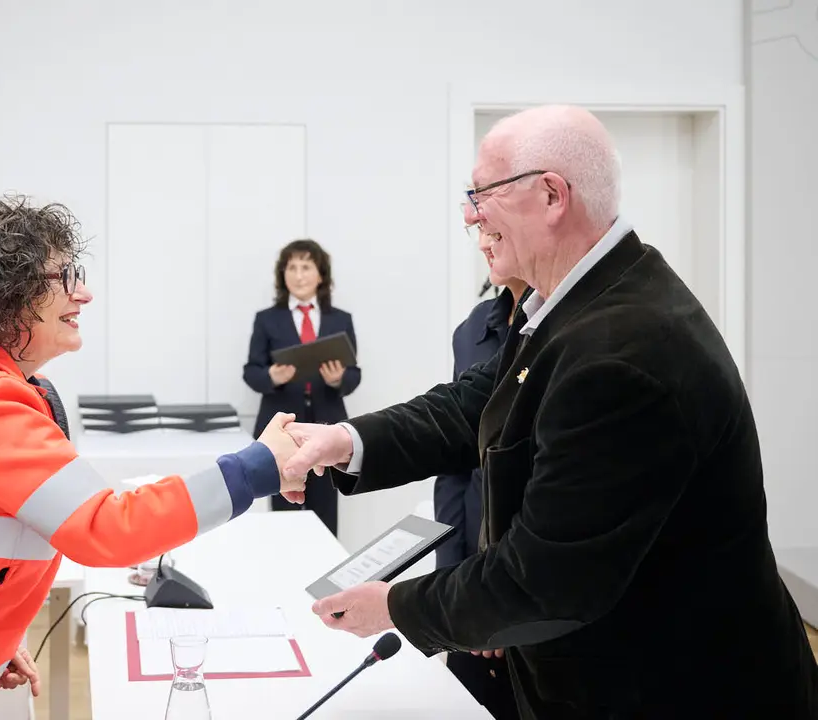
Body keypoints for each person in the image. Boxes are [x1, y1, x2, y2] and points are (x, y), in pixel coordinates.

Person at [284, 105, 818, 718]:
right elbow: (473, 404)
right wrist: (345, 441)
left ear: (551, 195)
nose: (468, 214)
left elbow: (543, 580)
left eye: (481, 193)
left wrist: (395, 607)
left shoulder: (623, 356)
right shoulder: (578, 300)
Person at [0, 196, 304, 719]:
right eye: (62, 276)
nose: (83, 293)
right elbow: (108, 528)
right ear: (5, 297)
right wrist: (257, 468)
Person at [431, 226, 524, 720]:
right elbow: (453, 460)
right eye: (480, 231)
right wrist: (451, 583)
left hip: (527, 577)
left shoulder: (564, 329)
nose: (484, 241)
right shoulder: (470, 331)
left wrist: (501, 598)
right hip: (471, 558)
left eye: (497, 230)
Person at [242, 239, 359, 537]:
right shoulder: (267, 319)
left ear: (321, 275)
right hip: (282, 429)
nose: (298, 274)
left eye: (306, 266)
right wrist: (272, 376)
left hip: (327, 426)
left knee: (325, 517)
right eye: (291, 267)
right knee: (284, 518)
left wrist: (337, 380)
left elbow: (354, 374)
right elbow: (251, 372)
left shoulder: (340, 319)